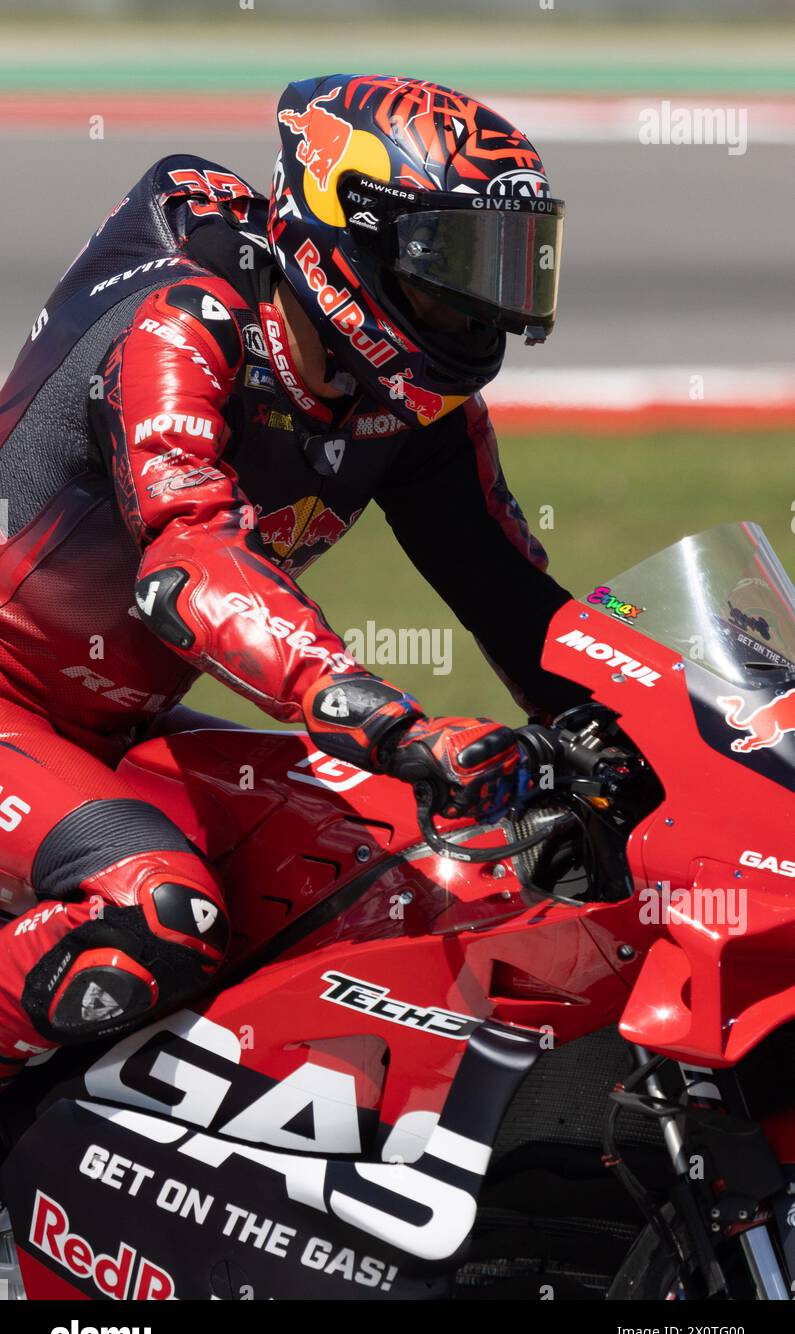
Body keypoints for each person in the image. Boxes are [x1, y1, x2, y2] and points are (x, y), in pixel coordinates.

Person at [0, 73, 586, 1083]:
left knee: (433, 867)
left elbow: (515, 597)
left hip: (107, 730)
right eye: (453, 265)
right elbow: (187, 563)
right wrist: (375, 715)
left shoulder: (410, 405)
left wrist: (677, 727)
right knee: (152, 913)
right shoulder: (185, 322)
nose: (486, 304)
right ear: (344, 235)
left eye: (507, 267)